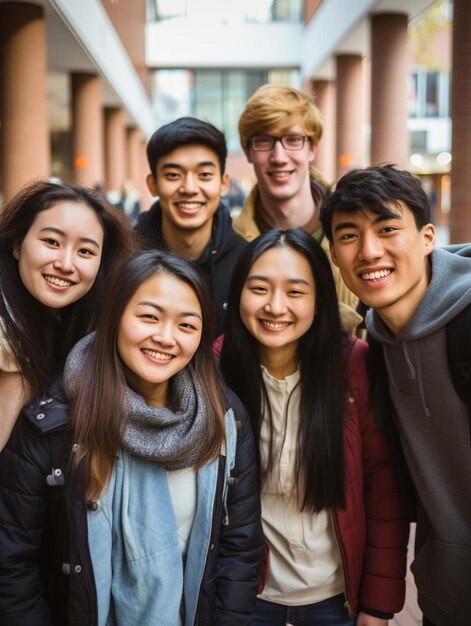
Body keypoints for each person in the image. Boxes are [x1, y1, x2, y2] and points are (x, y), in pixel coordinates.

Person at [0, 250, 264, 625]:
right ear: (115, 316)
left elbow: (240, 547)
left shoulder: (224, 418)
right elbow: (13, 561)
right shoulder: (56, 422)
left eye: (187, 325)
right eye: (149, 317)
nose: (166, 337)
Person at [220, 228, 408, 626]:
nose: (275, 306)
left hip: (334, 601)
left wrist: (378, 607)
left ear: (320, 302)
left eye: (295, 291)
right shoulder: (214, 370)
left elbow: (382, 489)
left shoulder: (353, 365)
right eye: (259, 288)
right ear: (238, 293)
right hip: (245, 598)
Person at [319, 164, 471, 626]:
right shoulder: (375, 348)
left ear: (427, 238)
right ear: (333, 254)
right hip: (445, 597)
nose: (369, 251)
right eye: (349, 236)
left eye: (388, 229)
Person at [0, 180, 135, 450]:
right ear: (16, 244)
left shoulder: (91, 330)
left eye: (85, 251)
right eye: (52, 242)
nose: (65, 264)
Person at [235, 84, 360, 332]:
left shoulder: (358, 228)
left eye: (293, 140)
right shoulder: (231, 242)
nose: (279, 156)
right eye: (264, 141)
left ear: (312, 148)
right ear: (248, 152)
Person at [135, 117, 246, 336]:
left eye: (204, 175)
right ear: (153, 184)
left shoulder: (247, 262)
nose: (189, 188)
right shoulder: (124, 256)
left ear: (224, 183)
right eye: (173, 175)